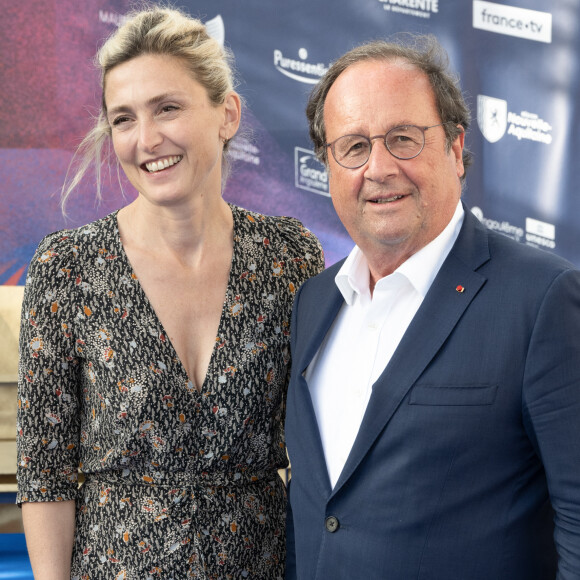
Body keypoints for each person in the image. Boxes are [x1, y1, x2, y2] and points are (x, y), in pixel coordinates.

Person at [16, 7, 324, 579]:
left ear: (226, 113)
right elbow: (46, 473)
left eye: (168, 108)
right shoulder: (69, 267)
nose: (146, 139)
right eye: (124, 119)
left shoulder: (288, 256)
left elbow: (324, 446)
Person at [284, 34, 580, 579]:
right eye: (353, 147)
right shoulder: (314, 302)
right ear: (327, 164)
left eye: (403, 138)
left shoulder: (543, 301)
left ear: (455, 145)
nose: (378, 168)